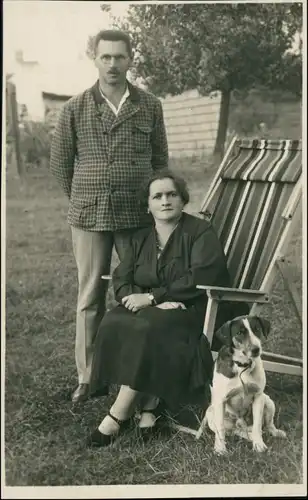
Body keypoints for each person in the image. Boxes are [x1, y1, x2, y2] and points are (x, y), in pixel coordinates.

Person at [87, 170, 249, 448]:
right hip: (161, 309)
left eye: (172, 194)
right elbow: (122, 278)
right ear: (147, 204)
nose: (165, 201)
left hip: (202, 309)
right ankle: (150, 407)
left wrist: (152, 297)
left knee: (151, 326)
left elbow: (203, 276)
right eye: (157, 196)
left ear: (183, 199)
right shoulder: (140, 238)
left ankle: (118, 414)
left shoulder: (200, 232)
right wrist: (132, 298)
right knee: (115, 320)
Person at [49, 30, 169, 403]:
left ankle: (132, 373)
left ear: (131, 59)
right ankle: (89, 376)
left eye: (119, 57)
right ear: (95, 59)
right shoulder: (75, 108)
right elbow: (60, 166)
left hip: (135, 215)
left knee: (136, 292)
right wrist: (86, 196)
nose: (113, 64)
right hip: (89, 214)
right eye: (106, 57)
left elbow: (159, 161)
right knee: (90, 295)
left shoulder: (149, 105)